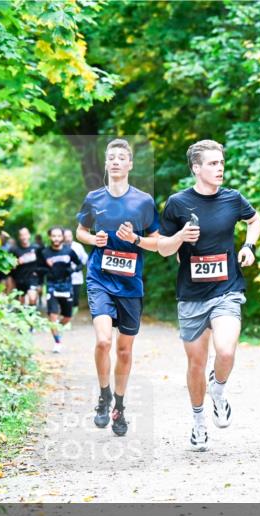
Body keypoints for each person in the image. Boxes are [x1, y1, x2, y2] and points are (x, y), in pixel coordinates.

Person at [158, 139, 260, 451]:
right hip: (191, 295)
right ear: (196, 168)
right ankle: (199, 420)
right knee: (196, 363)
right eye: (213, 164)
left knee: (226, 351)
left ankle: (218, 389)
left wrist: (248, 246)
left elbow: (254, 220)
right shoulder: (177, 203)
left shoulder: (233, 199)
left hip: (226, 289)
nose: (220, 169)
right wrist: (179, 237)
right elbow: (163, 249)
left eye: (221, 163)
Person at [76, 138, 161, 437]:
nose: (114, 161)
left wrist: (134, 240)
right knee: (103, 342)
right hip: (100, 277)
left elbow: (157, 242)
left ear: (130, 164)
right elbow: (80, 231)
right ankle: (103, 395)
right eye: (110, 157)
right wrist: (93, 240)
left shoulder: (143, 201)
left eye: (120, 157)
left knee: (124, 351)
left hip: (130, 283)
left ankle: (119, 407)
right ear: (106, 164)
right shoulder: (94, 198)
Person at [38, 227, 83, 353]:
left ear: (62, 237)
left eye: (58, 236)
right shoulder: (44, 252)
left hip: (66, 286)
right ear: (50, 237)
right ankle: (57, 342)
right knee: (52, 315)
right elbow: (38, 269)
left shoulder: (69, 251)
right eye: (53, 236)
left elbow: (80, 264)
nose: (56, 238)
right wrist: (48, 270)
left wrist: (72, 270)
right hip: (52, 286)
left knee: (67, 317)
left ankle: (57, 327)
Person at [8, 227, 41, 306]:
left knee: (32, 298)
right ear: (19, 237)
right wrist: (16, 263)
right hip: (20, 279)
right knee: (21, 303)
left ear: (29, 235)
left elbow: (42, 263)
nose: (24, 237)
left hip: (32, 278)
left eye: (25, 234)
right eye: (21, 235)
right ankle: (23, 316)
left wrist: (40, 276)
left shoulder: (36, 248)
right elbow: (9, 266)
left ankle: (31, 316)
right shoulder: (14, 250)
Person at [63, 228, 89, 313]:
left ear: (72, 236)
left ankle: (73, 313)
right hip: (64, 278)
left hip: (76, 277)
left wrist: (80, 266)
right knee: (66, 297)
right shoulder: (60, 247)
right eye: (65, 236)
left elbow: (85, 258)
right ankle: (67, 315)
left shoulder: (78, 246)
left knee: (75, 298)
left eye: (69, 236)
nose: (67, 238)